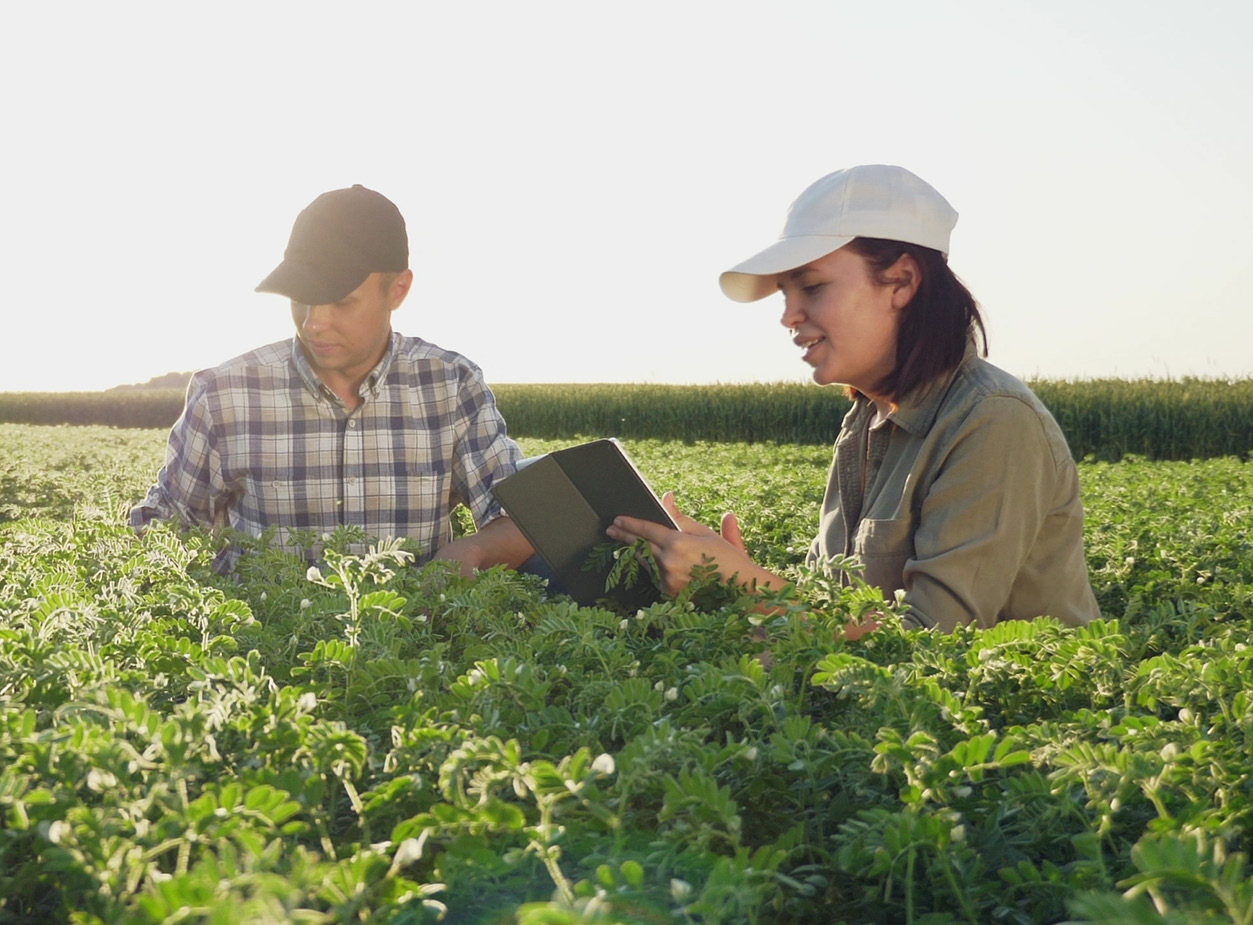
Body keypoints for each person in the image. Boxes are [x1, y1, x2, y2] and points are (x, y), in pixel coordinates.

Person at [608, 164, 1099, 632]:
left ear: (902, 282)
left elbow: (934, 645)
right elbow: (838, 615)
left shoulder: (994, 421)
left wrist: (747, 585)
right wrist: (724, 581)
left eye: (813, 287)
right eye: (785, 293)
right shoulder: (866, 418)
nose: (789, 316)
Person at [130, 184, 534, 576]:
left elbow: (525, 518)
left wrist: (473, 548)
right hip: (262, 643)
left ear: (398, 289)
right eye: (301, 296)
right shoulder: (225, 395)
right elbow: (164, 524)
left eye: (342, 302)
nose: (314, 322)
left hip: (411, 642)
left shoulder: (451, 387)